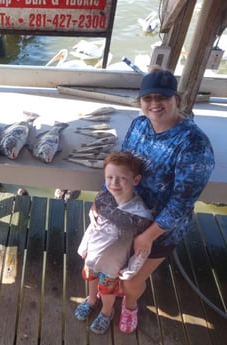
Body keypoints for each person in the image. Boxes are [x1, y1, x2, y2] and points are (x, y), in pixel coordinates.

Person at [107, 67, 214, 333]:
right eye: (148, 98)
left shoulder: (194, 143)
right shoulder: (139, 124)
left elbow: (182, 203)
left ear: (177, 99)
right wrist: (103, 203)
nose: (154, 104)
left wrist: (148, 237)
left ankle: (130, 307)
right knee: (114, 268)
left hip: (161, 230)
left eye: (162, 97)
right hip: (129, 215)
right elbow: (121, 167)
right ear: (140, 101)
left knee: (131, 282)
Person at [74, 151, 153, 334]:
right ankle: (92, 300)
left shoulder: (140, 216)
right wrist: (84, 247)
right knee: (91, 279)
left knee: (107, 291)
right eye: (109, 177)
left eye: (122, 178)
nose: (114, 183)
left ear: (136, 180)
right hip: (92, 257)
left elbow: (141, 249)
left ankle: (106, 312)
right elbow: (94, 226)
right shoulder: (102, 198)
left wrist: (131, 269)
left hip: (112, 266)